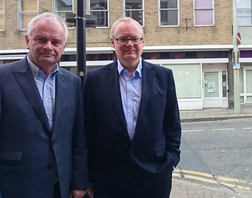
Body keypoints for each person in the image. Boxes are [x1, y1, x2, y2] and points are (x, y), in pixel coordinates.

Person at [84, 17, 181, 198]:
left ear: (142, 42)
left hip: (154, 177)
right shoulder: (94, 79)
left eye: (134, 39)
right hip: (109, 179)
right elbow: (89, 131)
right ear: (113, 43)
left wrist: (170, 162)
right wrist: (89, 177)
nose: (129, 44)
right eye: (123, 39)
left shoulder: (163, 76)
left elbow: (172, 124)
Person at [0, 13, 89, 198]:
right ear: (27, 40)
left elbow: (78, 138)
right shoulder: (3, 78)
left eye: (56, 42)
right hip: (15, 184)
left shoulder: (73, 83)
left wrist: (79, 182)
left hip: (60, 186)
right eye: (41, 39)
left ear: (63, 47)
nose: (48, 47)